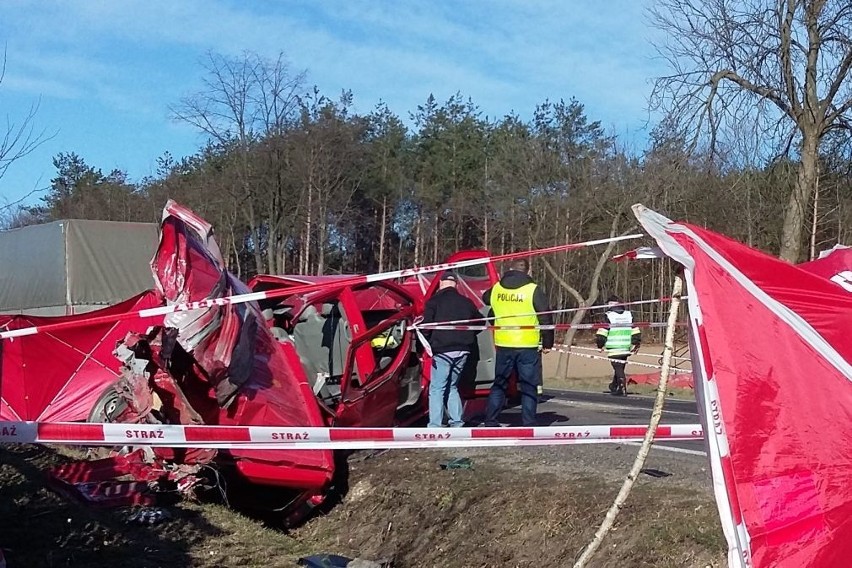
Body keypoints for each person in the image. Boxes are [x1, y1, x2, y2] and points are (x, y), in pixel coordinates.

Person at [482, 258, 554, 427]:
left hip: (504, 343)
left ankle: (490, 420)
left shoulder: (496, 289)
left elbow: (485, 299)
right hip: (527, 344)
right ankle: (528, 423)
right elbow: (545, 316)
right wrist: (548, 342)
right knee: (529, 385)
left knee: (500, 384)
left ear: (510, 269)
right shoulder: (533, 290)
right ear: (527, 272)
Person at [421, 271, 483, 428]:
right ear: (456, 284)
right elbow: (481, 323)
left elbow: (427, 326)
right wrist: (467, 335)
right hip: (463, 350)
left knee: (437, 388)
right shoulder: (467, 302)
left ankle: (435, 424)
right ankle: (457, 421)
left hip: (443, 350)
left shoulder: (433, 302)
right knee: (452, 386)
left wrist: (423, 341)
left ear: (441, 283)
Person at [595, 296, 641, 396]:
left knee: (618, 367)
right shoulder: (629, 314)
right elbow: (635, 330)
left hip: (614, 346)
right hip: (626, 346)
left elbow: (602, 332)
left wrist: (600, 345)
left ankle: (622, 387)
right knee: (620, 366)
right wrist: (636, 342)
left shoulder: (608, 316)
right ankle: (614, 385)